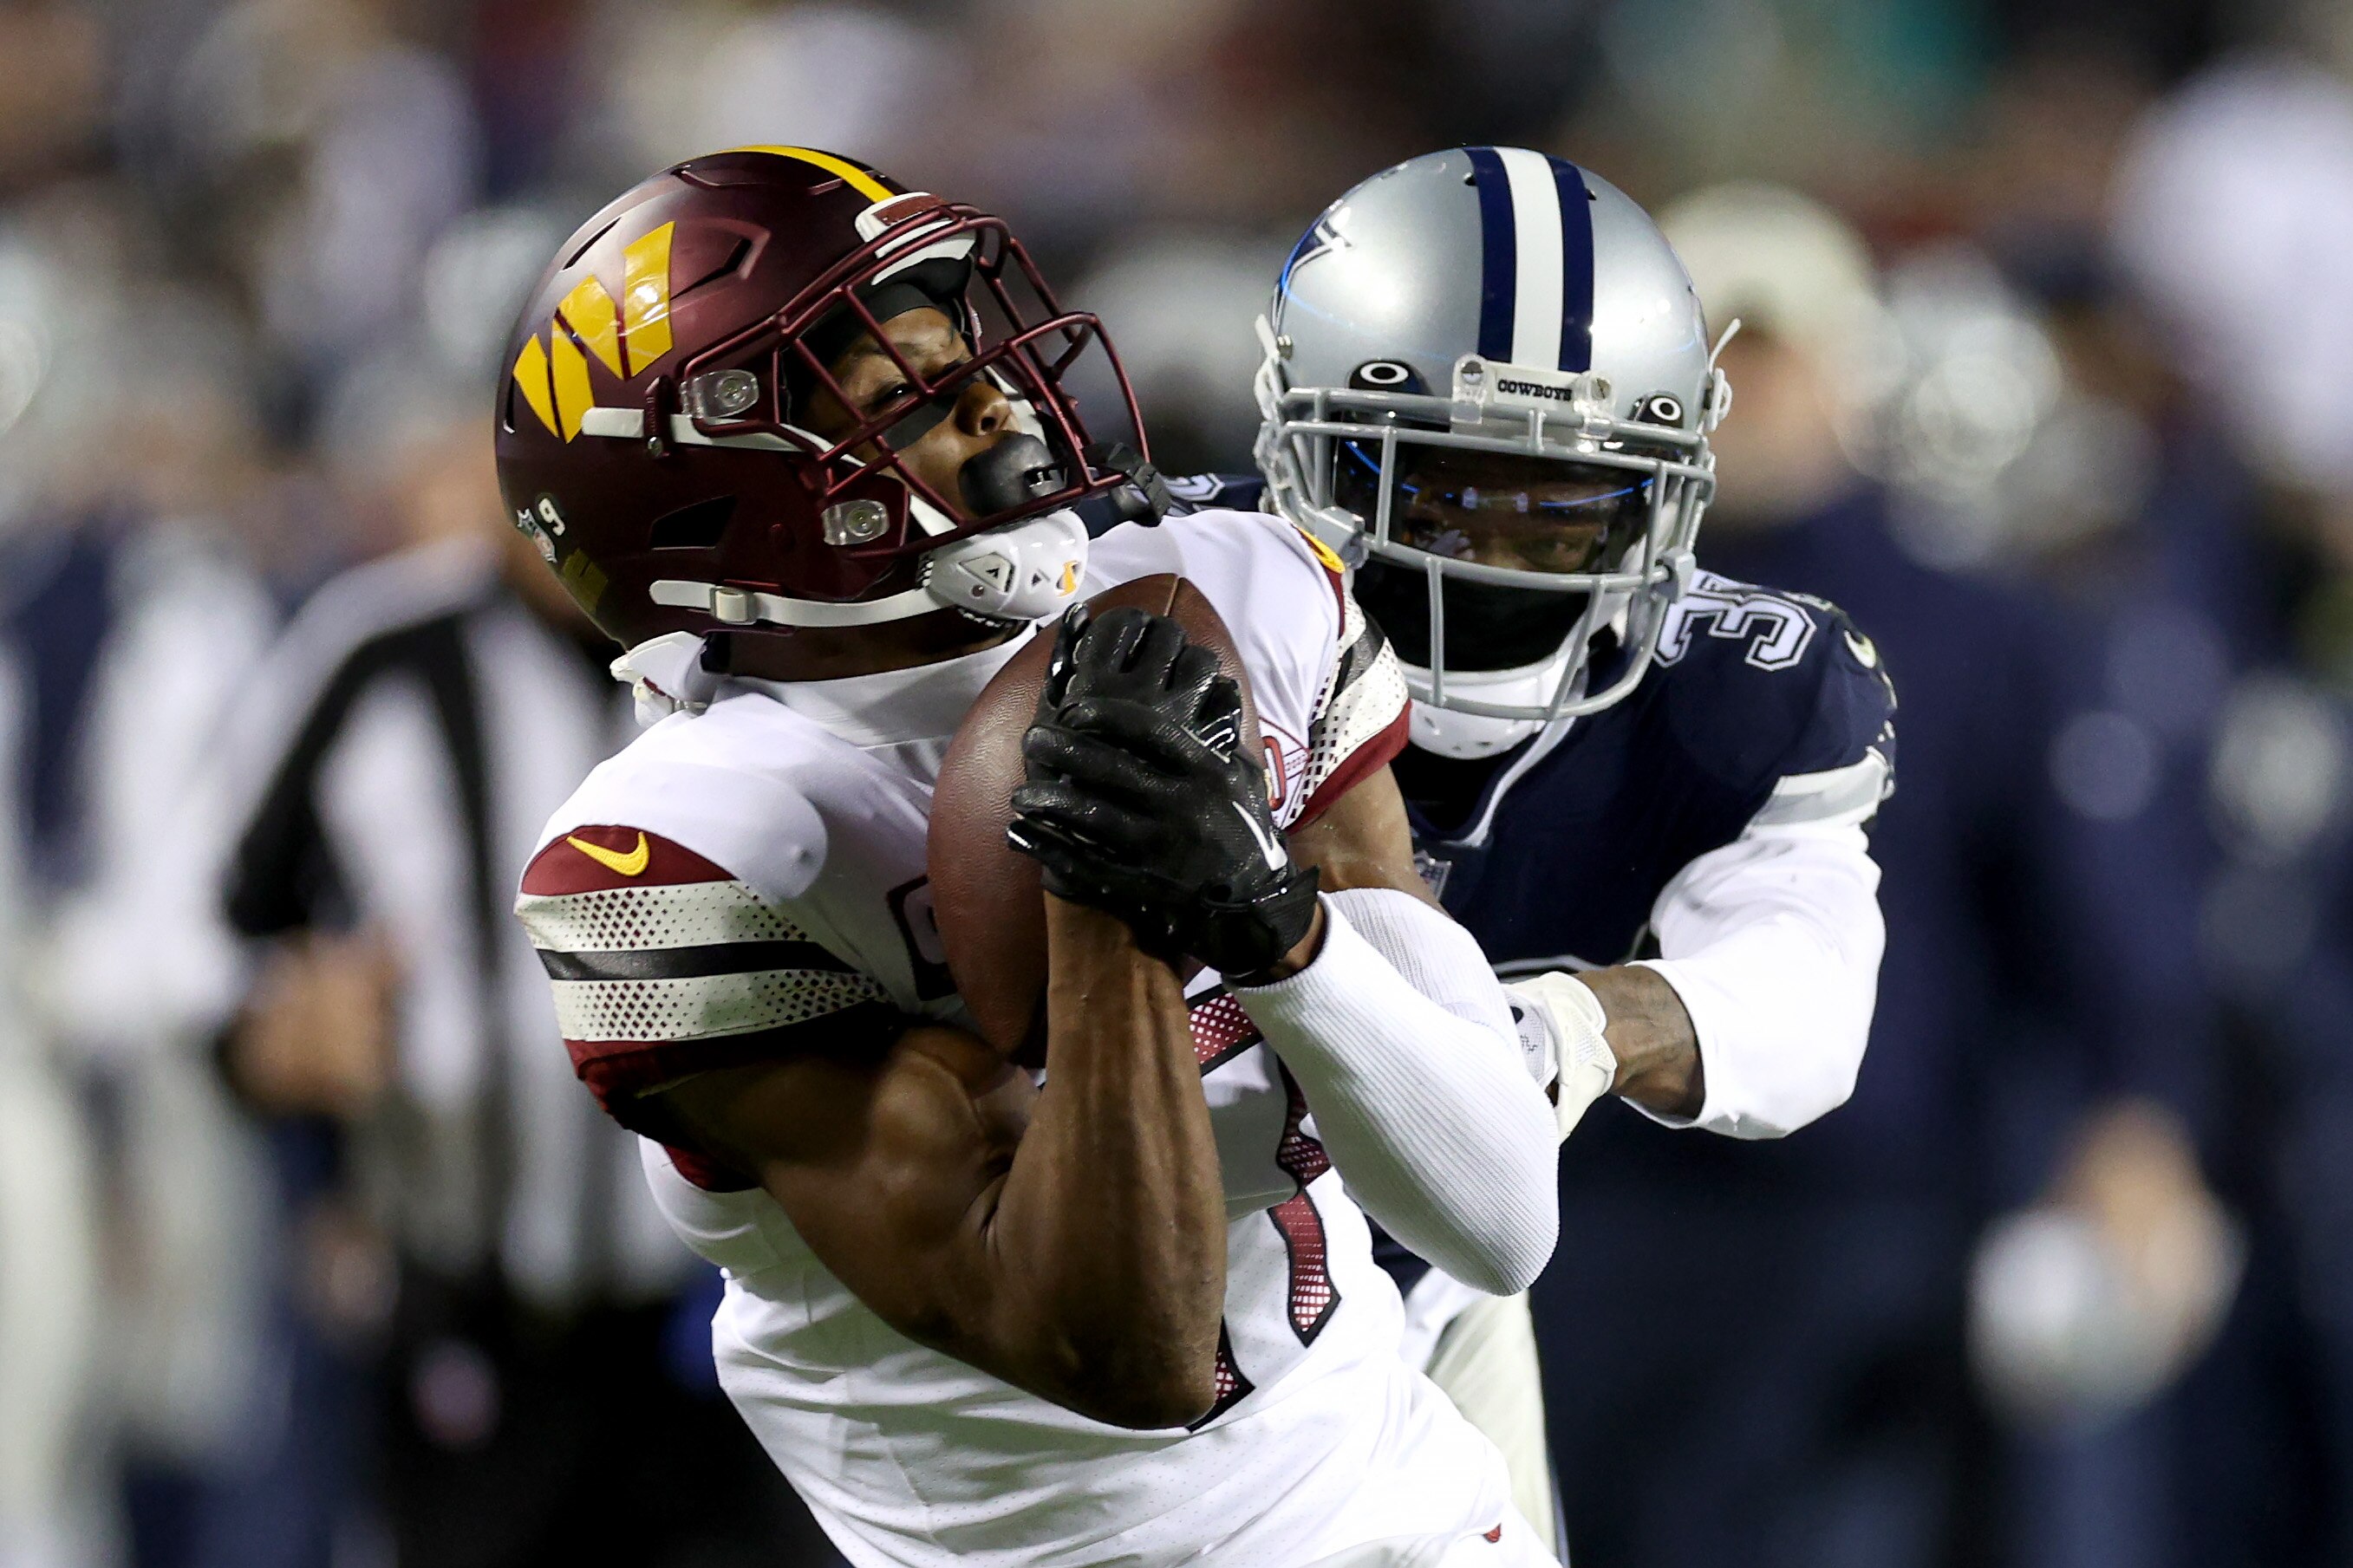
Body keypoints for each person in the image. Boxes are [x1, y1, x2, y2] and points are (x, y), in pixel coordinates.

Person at [503, 146, 1564, 1567]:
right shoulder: (678, 858)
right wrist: (1101, 901)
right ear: (717, 512)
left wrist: (1268, 921)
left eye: (968, 351)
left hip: (1410, 1499)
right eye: (903, 396)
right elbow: (1121, 1349)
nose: (997, 397)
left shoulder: (1229, 590)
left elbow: (1487, 1206)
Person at [1231, 150, 1896, 1553]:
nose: (1498, 550)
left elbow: (1805, 999)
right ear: (1296, 434)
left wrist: (1572, 1027)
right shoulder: (1164, 604)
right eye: (1440, 490)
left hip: (1430, 1287)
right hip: (1150, 1266)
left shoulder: (1737, 684)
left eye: (1562, 501)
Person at [212, 386, 817, 1567]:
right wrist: (268, 1030)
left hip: (753, 1312)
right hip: (474, 1304)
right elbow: (198, 926)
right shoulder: (379, 652)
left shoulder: (787, 657)